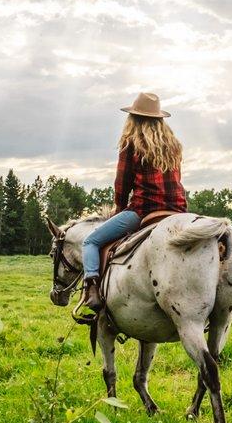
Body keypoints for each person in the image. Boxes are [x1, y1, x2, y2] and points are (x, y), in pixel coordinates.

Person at [78, 92, 188, 318]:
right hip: (177, 211)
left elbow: (122, 183)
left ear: (134, 118)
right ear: (159, 119)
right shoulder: (174, 146)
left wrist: (119, 208)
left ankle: (91, 289)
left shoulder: (131, 144)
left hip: (144, 210)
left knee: (91, 241)